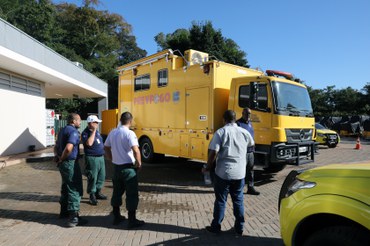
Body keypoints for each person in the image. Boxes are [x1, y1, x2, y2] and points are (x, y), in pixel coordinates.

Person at [203, 110, 254, 235]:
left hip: (223, 173)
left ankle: (216, 227)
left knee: (221, 200)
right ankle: (239, 227)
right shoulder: (245, 132)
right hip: (239, 174)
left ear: (224, 119)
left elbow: (214, 151)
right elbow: (251, 145)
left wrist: (208, 167)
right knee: (238, 200)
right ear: (235, 119)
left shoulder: (221, 132)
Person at [104, 112, 145, 229]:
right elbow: (136, 151)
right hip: (128, 168)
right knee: (131, 193)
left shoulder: (113, 132)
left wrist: (111, 158)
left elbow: (106, 147)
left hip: (117, 168)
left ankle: (116, 217)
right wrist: (139, 163)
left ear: (121, 120)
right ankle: (132, 220)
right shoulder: (129, 133)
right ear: (130, 121)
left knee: (117, 192)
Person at [54, 113, 87, 227]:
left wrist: (58, 158)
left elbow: (55, 146)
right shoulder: (73, 132)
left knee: (66, 187)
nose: (80, 122)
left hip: (63, 164)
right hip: (70, 163)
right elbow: (69, 148)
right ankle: (73, 218)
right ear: (73, 121)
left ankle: (64, 212)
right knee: (74, 187)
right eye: (79, 120)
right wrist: (62, 158)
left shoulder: (62, 130)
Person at [81, 115, 107, 206]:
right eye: (96, 122)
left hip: (100, 157)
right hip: (92, 158)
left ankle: (98, 192)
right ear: (91, 123)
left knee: (101, 176)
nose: (97, 124)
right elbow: (89, 143)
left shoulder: (97, 132)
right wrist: (94, 131)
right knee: (93, 177)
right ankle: (92, 195)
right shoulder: (85, 133)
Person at [236, 107, 260, 195]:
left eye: (249, 114)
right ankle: (239, 189)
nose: (248, 115)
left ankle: (250, 188)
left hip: (250, 152)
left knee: (250, 171)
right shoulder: (238, 124)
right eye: (246, 114)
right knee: (241, 171)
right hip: (242, 152)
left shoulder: (250, 124)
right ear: (242, 114)